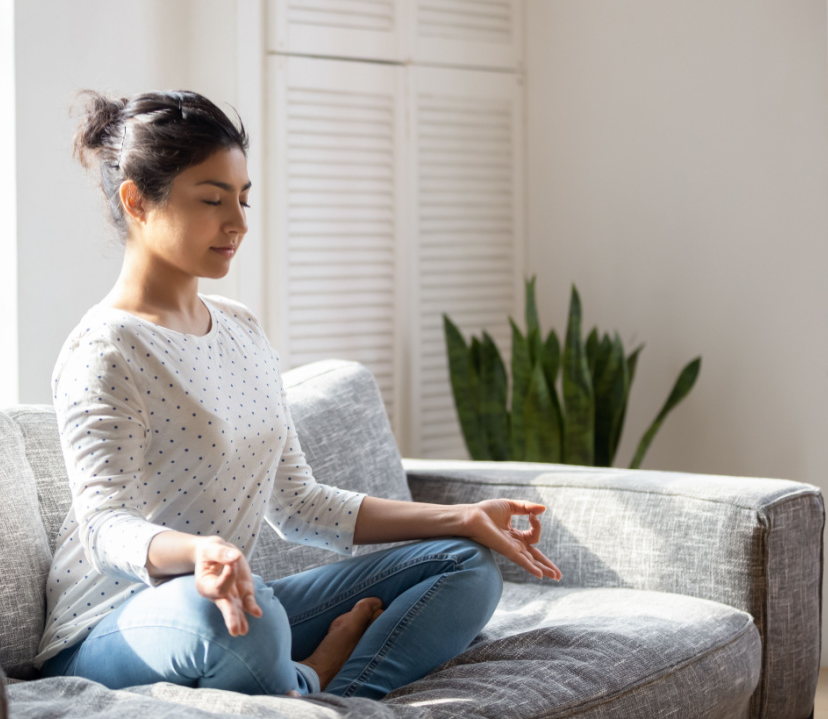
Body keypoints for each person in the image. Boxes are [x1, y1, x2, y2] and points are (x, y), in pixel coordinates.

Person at [36, 88, 562, 700]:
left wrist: (463, 517)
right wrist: (200, 552)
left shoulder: (240, 328)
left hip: (238, 600)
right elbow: (104, 527)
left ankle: (338, 700)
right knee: (239, 618)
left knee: (464, 564)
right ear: (137, 201)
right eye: (212, 200)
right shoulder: (107, 348)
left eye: (242, 197)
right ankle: (311, 677)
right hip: (112, 627)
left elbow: (299, 504)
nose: (238, 223)